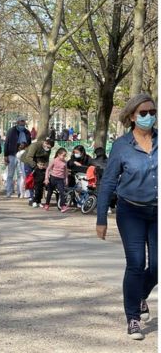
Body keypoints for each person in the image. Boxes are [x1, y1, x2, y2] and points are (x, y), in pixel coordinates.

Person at [96, 93, 157, 340]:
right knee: (135, 263)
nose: (149, 117)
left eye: (152, 112)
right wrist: (101, 218)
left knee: (157, 266)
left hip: (157, 213)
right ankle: (133, 318)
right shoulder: (122, 145)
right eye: (143, 113)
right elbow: (109, 182)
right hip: (130, 211)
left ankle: (139, 295)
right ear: (132, 116)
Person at [21, 138, 54, 207]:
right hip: (28, 162)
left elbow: (46, 159)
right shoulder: (35, 146)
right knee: (31, 180)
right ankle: (31, 198)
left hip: (39, 164)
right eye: (47, 147)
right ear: (45, 143)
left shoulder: (48, 149)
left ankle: (38, 199)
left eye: (50, 148)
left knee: (39, 182)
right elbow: (29, 157)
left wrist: (46, 167)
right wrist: (36, 166)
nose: (48, 149)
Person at [3, 117, 31, 198]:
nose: (22, 125)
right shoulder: (11, 131)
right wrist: (5, 155)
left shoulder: (27, 132)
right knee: (10, 174)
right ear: (17, 123)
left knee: (21, 174)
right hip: (12, 154)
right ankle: (9, 191)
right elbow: (6, 143)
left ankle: (20, 192)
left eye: (23, 124)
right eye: (21, 124)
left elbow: (29, 144)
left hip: (22, 155)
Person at [43, 147, 69, 212]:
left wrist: (66, 179)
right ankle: (47, 204)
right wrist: (46, 178)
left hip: (60, 179)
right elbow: (48, 169)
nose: (64, 157)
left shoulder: (65, 162)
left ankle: (63, 206)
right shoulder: (54, 160)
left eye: (65, 156)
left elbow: (66, 172)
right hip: (53, 178)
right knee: (50, 192)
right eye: (63, 155)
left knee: (62, 192)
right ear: (58, 155)